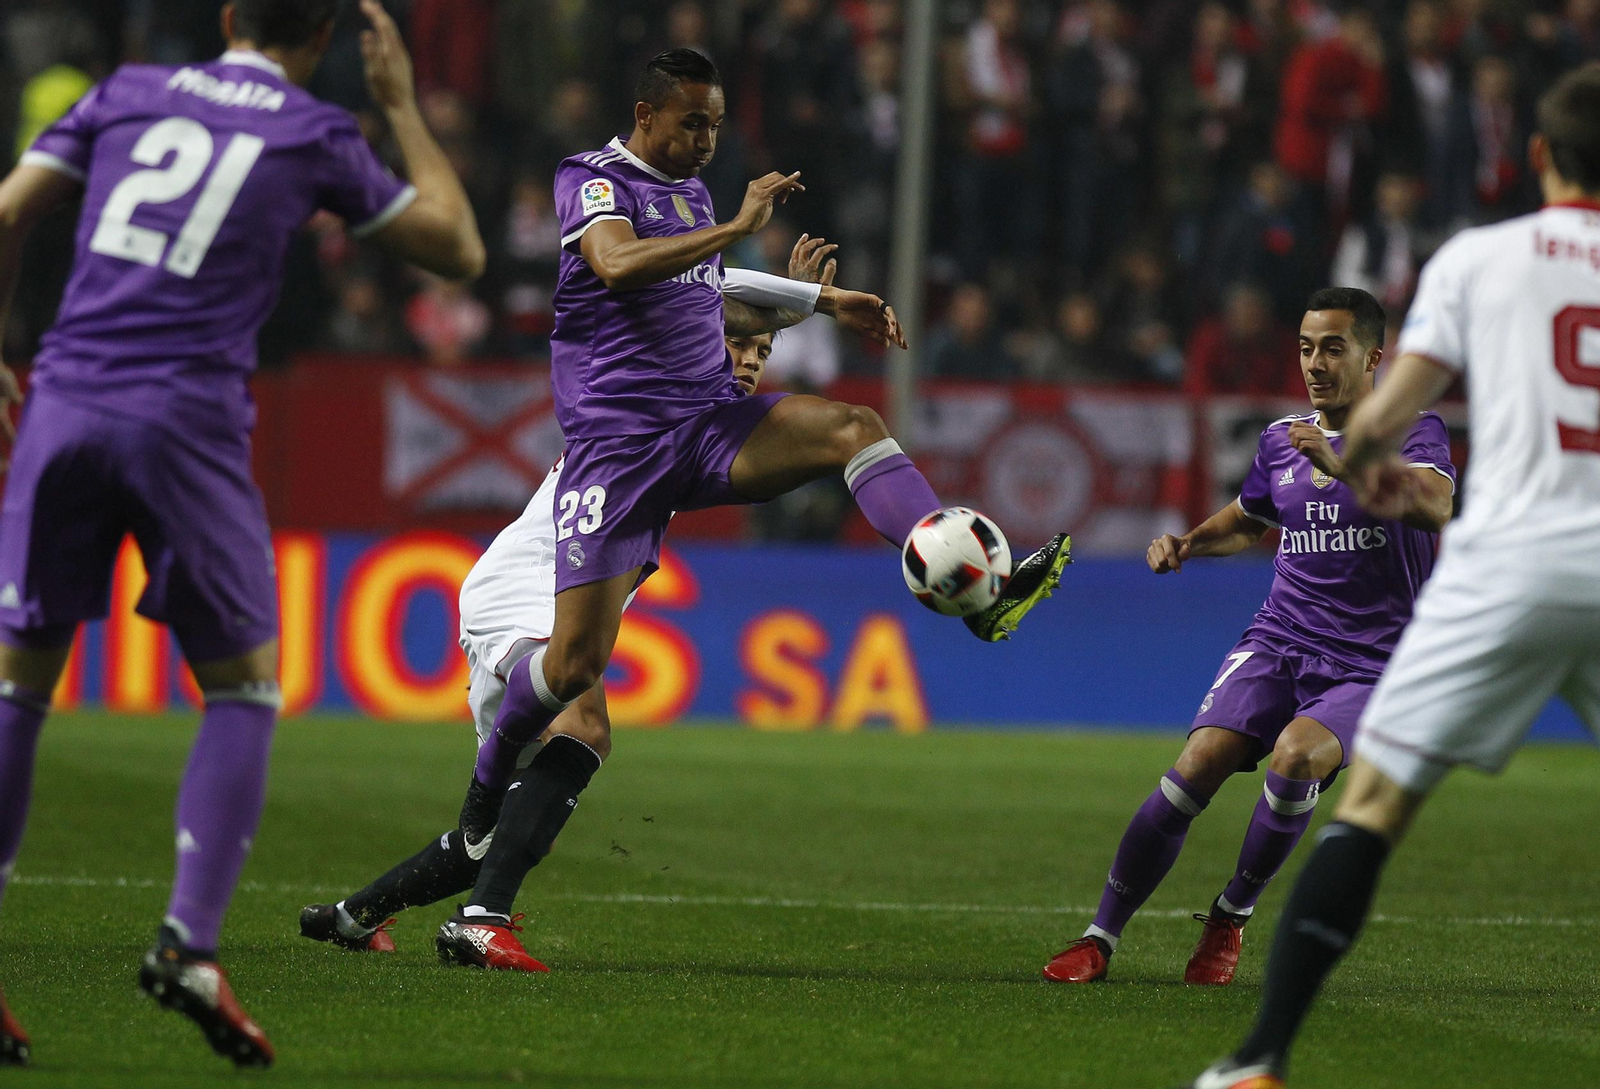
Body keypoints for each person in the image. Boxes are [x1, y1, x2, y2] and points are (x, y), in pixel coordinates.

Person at [429, 48, 1071, 971]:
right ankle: (487, 791)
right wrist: (736, 223)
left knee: (853, 425)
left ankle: (974, 576)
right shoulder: (594, 180)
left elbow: (710, 291)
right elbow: (616, 267)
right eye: (692, 123)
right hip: (617, 454)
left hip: (705, 426)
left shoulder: (693, 199)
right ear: (646, 115)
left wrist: (820, 299)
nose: (707, 139)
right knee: (573, 669)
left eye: (717, 126)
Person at [0, 0, 484, 1068]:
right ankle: (189, 944)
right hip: (184, 421)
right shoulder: (312, 130)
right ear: (321, 41)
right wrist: (400, 107)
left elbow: (5, 212)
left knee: (20, 689)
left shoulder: (123, 91)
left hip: (65, 404)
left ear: (225, 16)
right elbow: (456, 247)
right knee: (243, 687)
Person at [1187, 63, 1600, 1089]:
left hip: (1505, 559)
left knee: (1369, 805)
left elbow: (1378, 419)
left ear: (1539, 155)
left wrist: (1352, 456)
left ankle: (1260, 1059)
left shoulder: (1478, 258)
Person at [297, 237, 836, 962]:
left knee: (492, 829)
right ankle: (482, 919)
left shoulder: (706, 427)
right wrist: (798, 300)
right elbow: (701, 292)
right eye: (738, 342)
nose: (749, 360)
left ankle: (353, 916)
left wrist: (789, 314)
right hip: (522, 590)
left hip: (543, 597)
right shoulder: (658, 382)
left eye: (763, 352)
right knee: (584, 724)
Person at [1043, 288, 1454, 987]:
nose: (1316, 363)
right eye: (1305, 346)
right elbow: (1247, 519)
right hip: (1281, 638)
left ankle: (1230, 915)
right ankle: (1098, 936)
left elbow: (1435, 503)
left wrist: (1342, 462)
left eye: (1333, 347)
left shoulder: (1413, 431)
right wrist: (1187, 541)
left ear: (1374, 357)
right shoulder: (1281, 439)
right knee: (1197, 763)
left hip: (1372, 663)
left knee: (1295, 757)